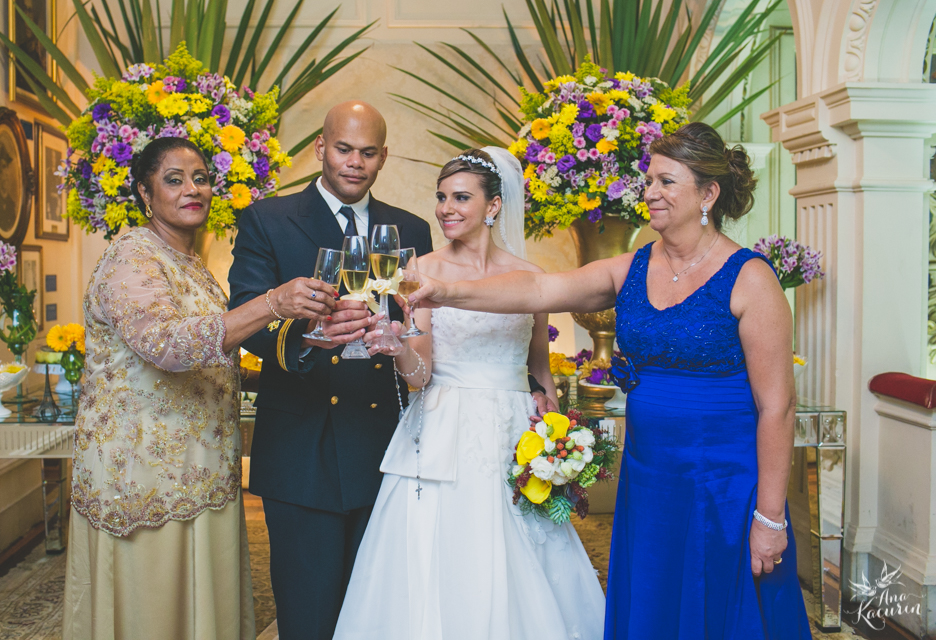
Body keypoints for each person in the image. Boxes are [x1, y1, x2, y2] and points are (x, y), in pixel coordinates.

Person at [410, 123, 813, 639]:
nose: (650, 193)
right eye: (649, 180)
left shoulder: (750, 278)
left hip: (723, 485)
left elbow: (777, 407)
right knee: (654, 602)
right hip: (649, 476)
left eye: (667, 182)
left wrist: (771, 518)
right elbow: (538, 289)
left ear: (708, 193)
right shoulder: (632, 267)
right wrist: (443, 290)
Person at [62, 137, 337, 639]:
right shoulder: (132, 258)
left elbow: (213, 359)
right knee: (155, 612)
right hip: (144, 476)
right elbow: (168, 347)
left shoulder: (189, 264)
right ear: (145, 194)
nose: (193, 189)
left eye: (201, 178)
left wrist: (297, 367)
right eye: (174, 179)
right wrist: (273, 302)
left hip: (202, 470)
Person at [333, 147, 605, 640]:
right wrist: (397, 349)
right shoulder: (419, 271)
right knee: (441, 556)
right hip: (443, 431)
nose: (445, 208)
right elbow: (420, 376)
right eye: (441, 197)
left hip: (514, 434)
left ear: (494, 205)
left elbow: (539, 374)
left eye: (461, 196)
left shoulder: (533, 279)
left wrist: (558, 444)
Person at [227, 101, 437, 640]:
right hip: (303, 445)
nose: (354, 162)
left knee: (382, 613)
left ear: (383, 157)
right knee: (310, 614)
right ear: (321, 148)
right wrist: (307, 339)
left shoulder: (409, 227)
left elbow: (422, 323)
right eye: (343, 149)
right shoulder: (268, 220)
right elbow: (246, 320)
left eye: (368, 153)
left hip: (384, 446)